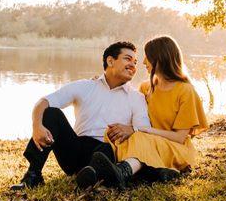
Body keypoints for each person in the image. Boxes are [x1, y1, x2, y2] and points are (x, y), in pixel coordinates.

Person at [11, 41, 151, 190]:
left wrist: (131, 129)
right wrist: (36, 126)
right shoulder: (85, 86)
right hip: (75, 150)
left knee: (105, 150)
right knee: (51, 113)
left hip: (108, 151)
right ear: (110, 61)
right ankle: (33, 174)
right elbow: (44, 102)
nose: (133, 65)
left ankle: (92, 177)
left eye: (135, 62)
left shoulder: (136, 97)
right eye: (128, 59)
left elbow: (144, 129)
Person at [79, 35, 209, 189]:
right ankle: (154, 172)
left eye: (147, 57)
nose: (143, 62)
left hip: (175, 148)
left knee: (139, 138)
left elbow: (180, 138)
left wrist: (143, 130)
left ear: (159, 59)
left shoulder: (186, 91)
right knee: (116, 135)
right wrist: (101, 82)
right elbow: (125, 97)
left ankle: (122, 172)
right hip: (147, 143)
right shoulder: (146, 88)